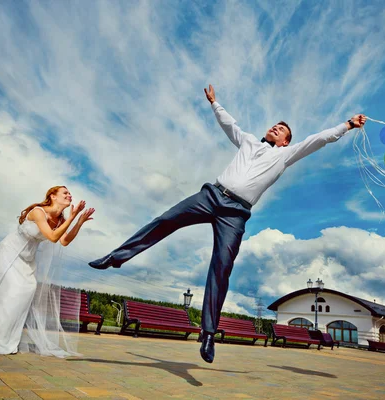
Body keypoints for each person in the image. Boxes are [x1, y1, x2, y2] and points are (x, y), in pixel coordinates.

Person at [89, 85, 366, 363]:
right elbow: (228, 123)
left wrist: (348, 125)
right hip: (210, 195)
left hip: (235, 213)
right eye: (275, 125)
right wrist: (214, 103)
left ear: (285, 142)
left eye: (282, 130)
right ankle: (117, 256)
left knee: (221, 266)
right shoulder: (247, 141)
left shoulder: (285, 155)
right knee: (165, 219)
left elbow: (319, 139)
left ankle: (208, 333)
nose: (276, 128)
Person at [0, 186, 95, 357]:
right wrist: (73, 215)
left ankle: (5, 341)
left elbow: (64, 241)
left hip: (27, 261)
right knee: (8, 296)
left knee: (24, 294)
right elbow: (52, 237)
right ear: (52, 196)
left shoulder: (59, 219)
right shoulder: (38, 212)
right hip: (9, 254)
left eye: (70, 193)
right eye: (65, 193)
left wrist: (79, 222)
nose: (69, 195)